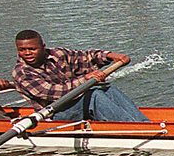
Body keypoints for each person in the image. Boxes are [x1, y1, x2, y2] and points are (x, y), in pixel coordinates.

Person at [11, 30, 148, 122]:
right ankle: (134, 128)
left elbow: (85, 57)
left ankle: (143, 123)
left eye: (32, 49)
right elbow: (52, 92)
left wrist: (110, 56)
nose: (27, 53)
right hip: (55, 115)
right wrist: (85, 79)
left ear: (43, 47)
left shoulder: (57, 54)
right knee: (93, 96)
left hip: (75, 103)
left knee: (108, 89)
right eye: (22, 50)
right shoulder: (22, 72)